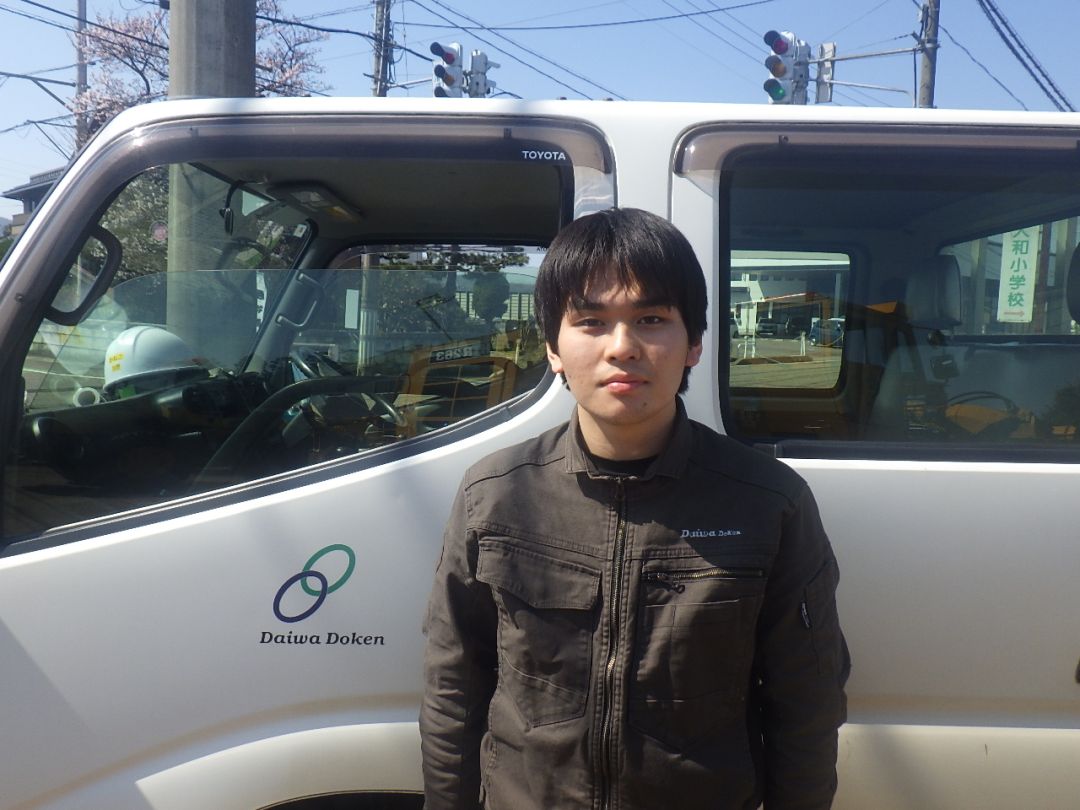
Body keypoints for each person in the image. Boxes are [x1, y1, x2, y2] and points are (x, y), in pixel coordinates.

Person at [420, 208, 849, 810]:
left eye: (651, 319)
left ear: (694, 343)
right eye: (591, 322)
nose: (622, 348)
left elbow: (806, 703)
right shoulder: (494, 493)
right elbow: (453, 686)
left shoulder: (769, 502)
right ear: (553, 348)